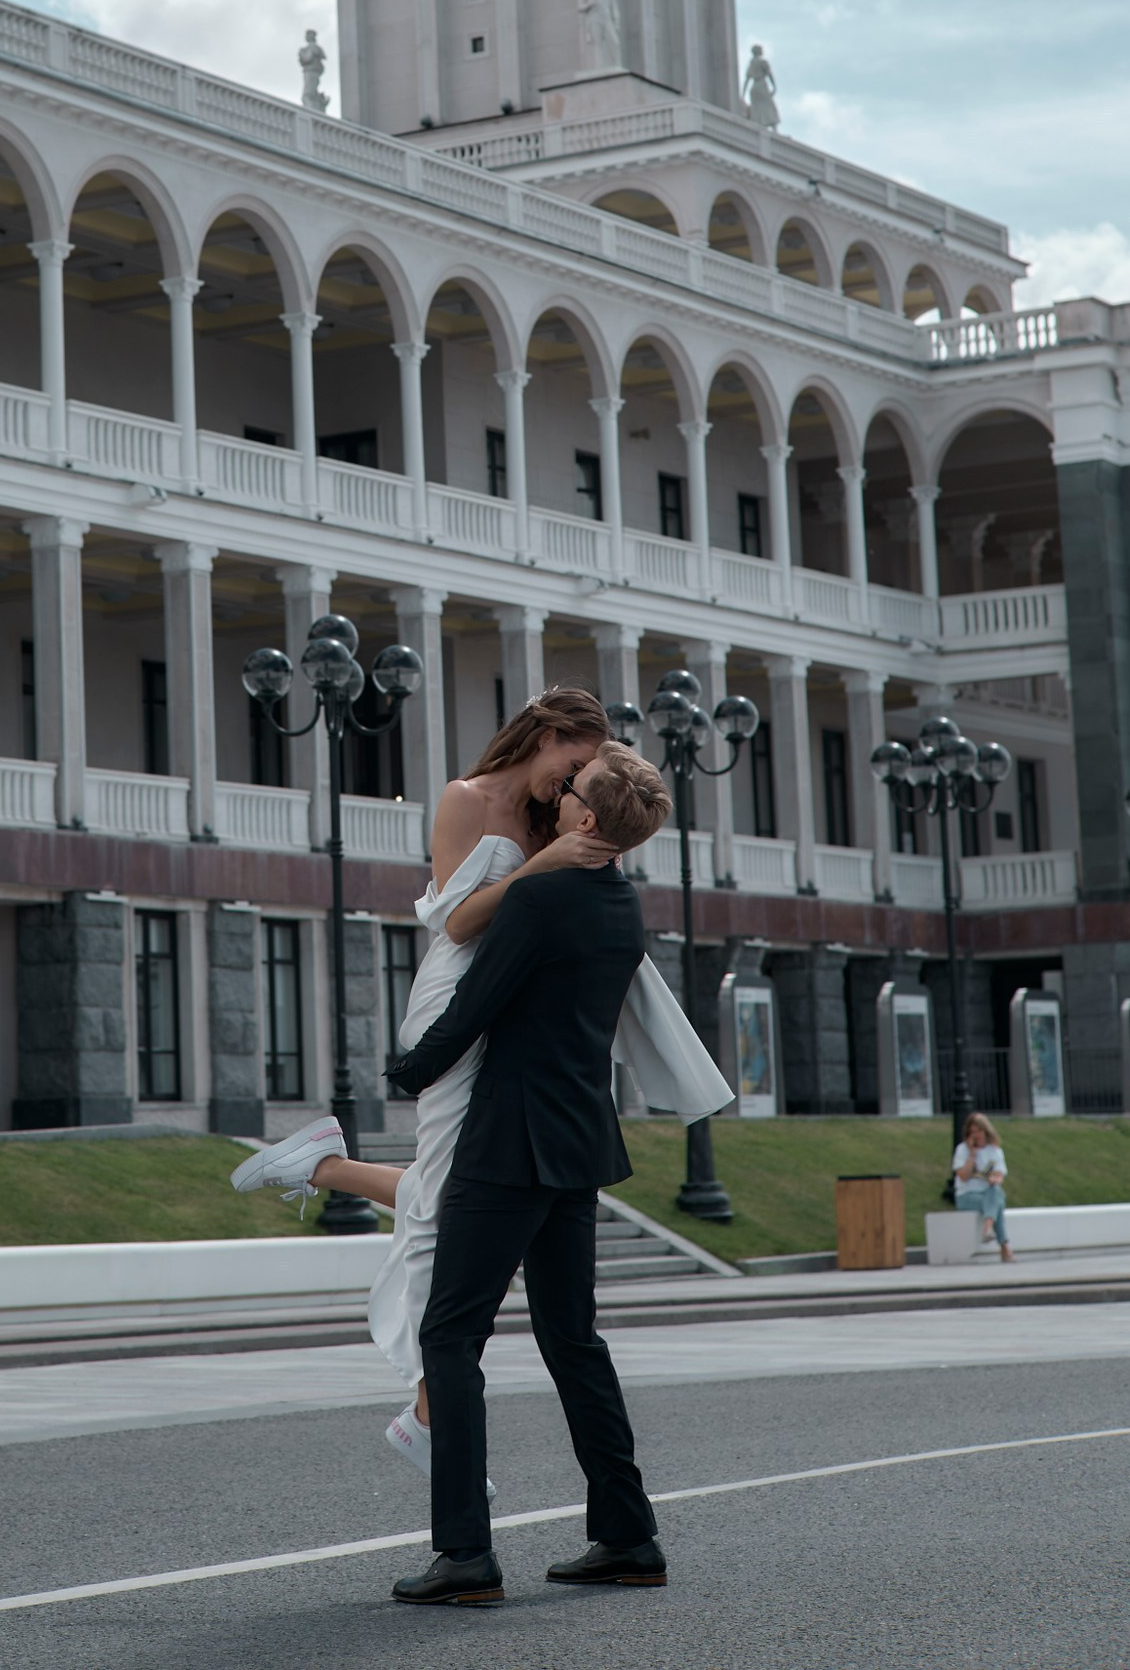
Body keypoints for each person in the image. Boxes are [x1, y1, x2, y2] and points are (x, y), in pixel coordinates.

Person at [232, 688, 730, 1480]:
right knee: (444, 1199)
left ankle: (333, 1182)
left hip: (513, 988)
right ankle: (433, 1412)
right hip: (460, 985)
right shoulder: (468, 801)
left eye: (582, 779)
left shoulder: (556, 812)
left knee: (448, 1193)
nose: (571, 784)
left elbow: (556, 904)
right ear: (546, 736)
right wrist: (549, 862)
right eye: (573, 765)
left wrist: (566, 855)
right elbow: (458, 923)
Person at [388, 743, 674, 1606]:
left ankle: (465, 1557)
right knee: (572, 1341)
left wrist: (404, 1071)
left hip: (508, 1142)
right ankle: (626, 1536)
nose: (558, 788)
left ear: (585, 819)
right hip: (578, 1146)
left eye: (574, 788)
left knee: (450, 1337)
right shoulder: (622, 906)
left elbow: (472, 1014)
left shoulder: (540, 897)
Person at [953, 1110, 1013, 1260]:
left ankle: (988, 1228)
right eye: (972, 1132)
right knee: (997, 1201)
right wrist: (972, 1155)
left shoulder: (995, 1151)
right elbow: (963, 1177)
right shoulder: (962, 1150)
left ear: (986, 1131)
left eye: (979, 1131)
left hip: (988, 1192)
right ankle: (1004, 1246)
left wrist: (994, 1179)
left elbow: (1000, 1175)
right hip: (967, 1196)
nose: (976, 1135)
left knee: (995, 1192)